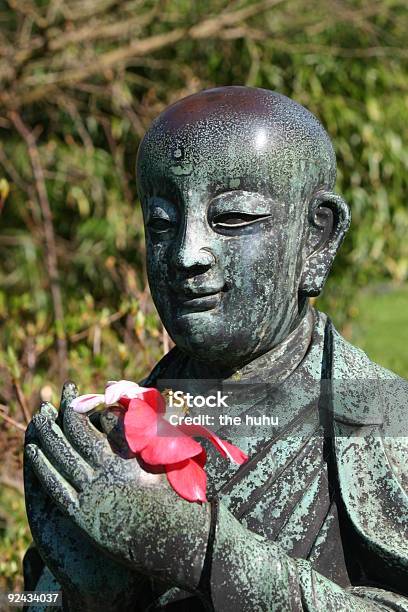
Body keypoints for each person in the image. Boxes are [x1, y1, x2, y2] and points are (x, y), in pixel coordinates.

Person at [24, 87, 408, 611]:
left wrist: (196, 547)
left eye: (231, 219)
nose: (187, 254)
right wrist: (87, 593)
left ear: (316, 237)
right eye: (162, 223)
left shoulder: (381, 417)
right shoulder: (132, 423)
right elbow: (30, 600)